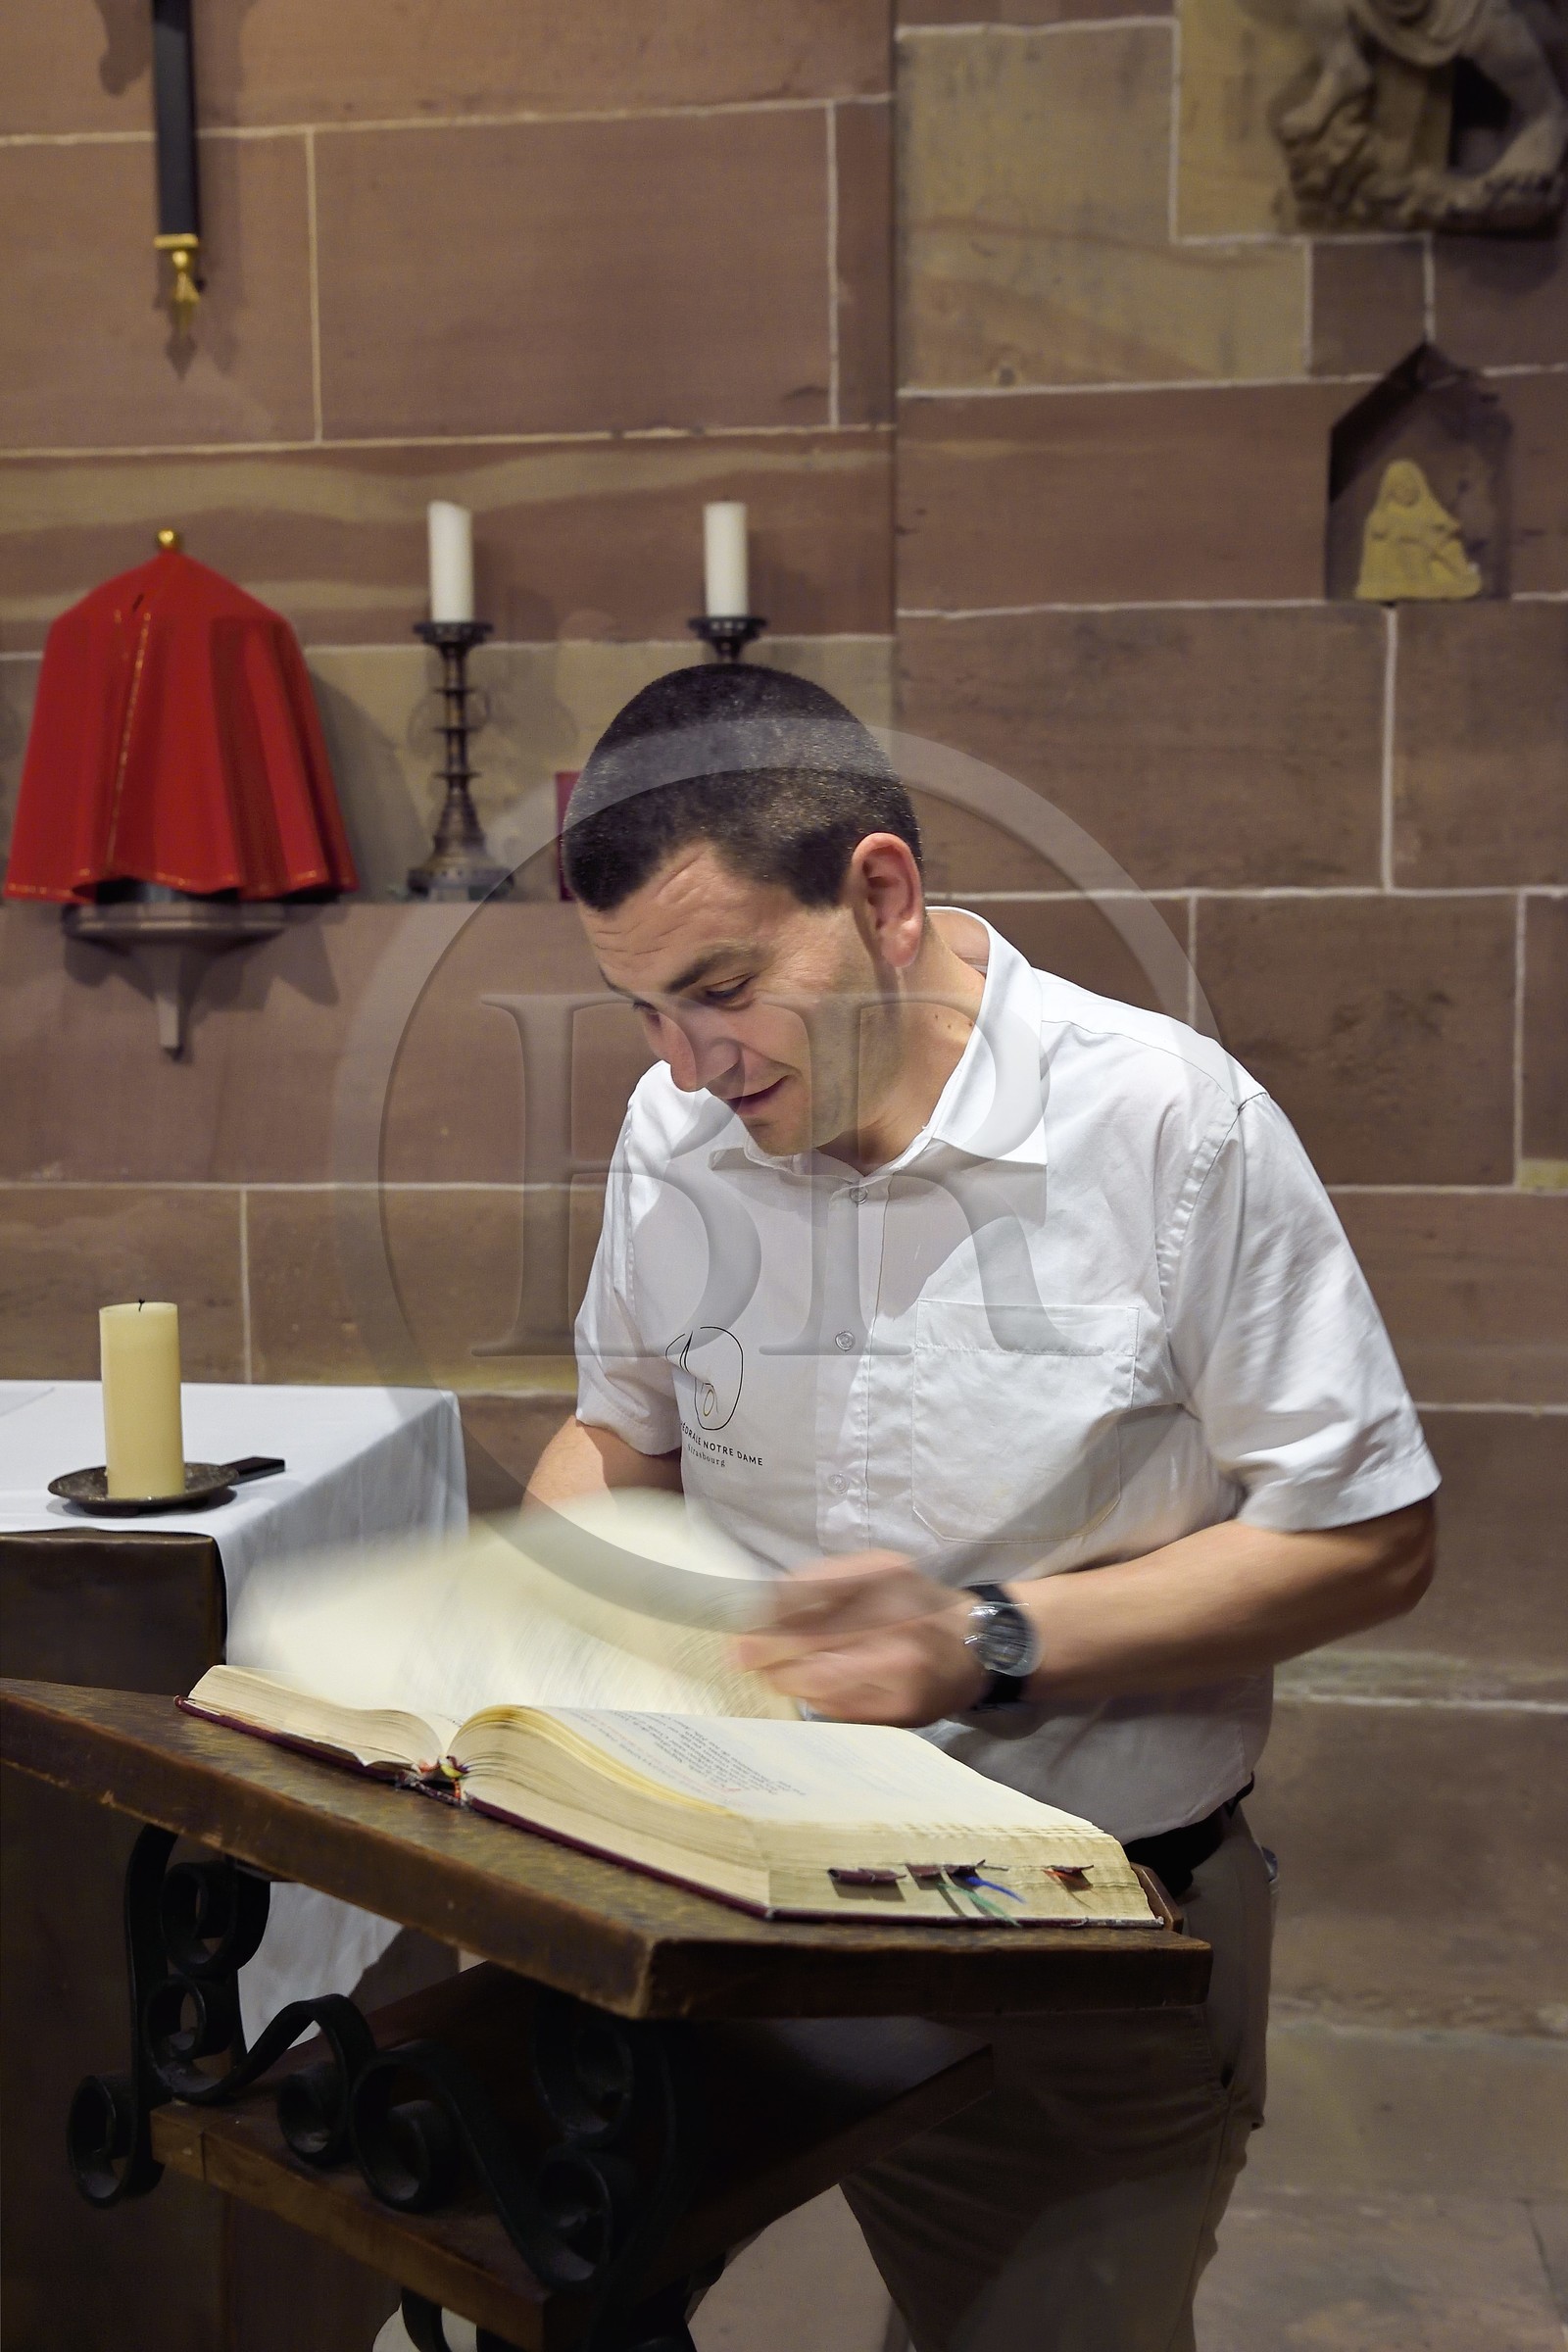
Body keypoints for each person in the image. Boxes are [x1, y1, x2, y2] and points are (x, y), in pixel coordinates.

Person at [526, 662, 1439, 2352]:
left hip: (1070, 1937)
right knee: (530, 2266)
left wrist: (988, 1641)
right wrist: (529, 1610)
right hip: (725, 1885)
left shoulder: (1165, 1124)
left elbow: (1368, 1536)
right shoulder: (680, 1129)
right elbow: (621, 1437)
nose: (687, 1064)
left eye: (720, 990)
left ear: (880, 895)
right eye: (642, 1010)